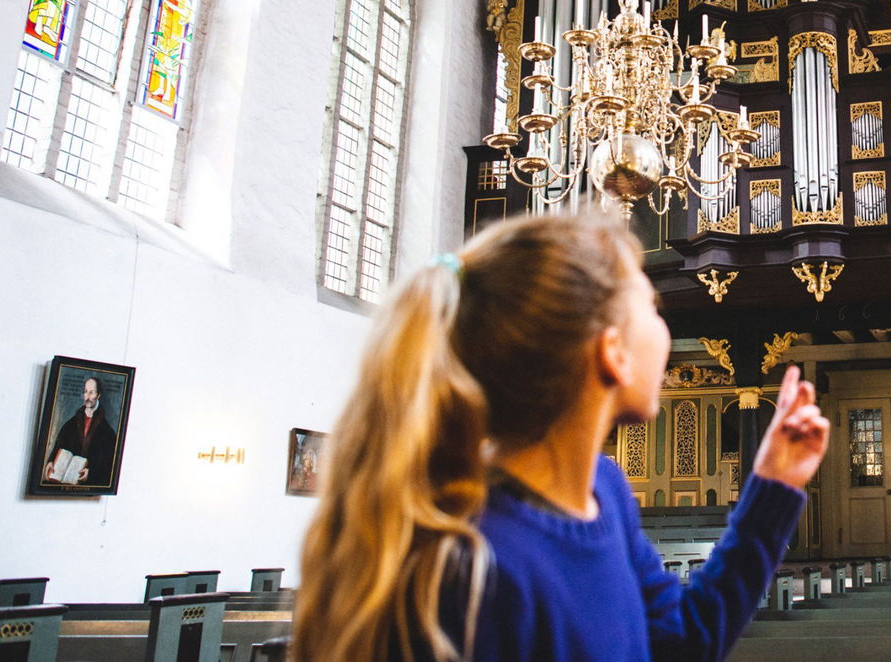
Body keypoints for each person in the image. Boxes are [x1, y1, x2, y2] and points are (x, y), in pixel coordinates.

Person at [292, 212, 828, 661]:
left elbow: (682, 643)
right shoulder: (476, 570)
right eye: (653, 308)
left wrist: (773, 486)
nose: (663, 328)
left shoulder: (605, 491)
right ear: (612, 351)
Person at [43, 376, 117, 485]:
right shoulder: (72, 423)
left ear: (98, 395)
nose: (87, 396)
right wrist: (51, 461)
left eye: (91, 392)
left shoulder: (106, 430)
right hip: (66, 480)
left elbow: (108, 460)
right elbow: (60, 443)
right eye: (86, 392)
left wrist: (91, 472)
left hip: (88, 483)